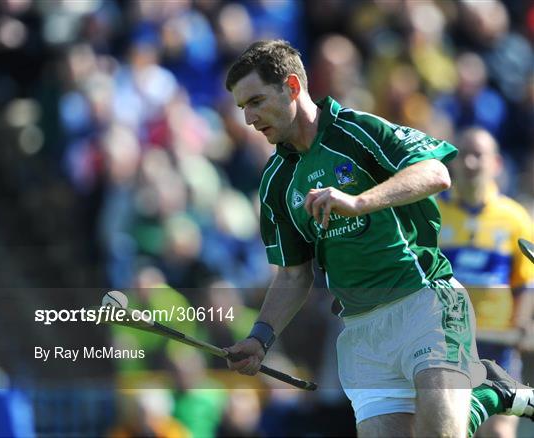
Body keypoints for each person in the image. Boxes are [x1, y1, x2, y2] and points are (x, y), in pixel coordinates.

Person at [223, 39, 534, 437]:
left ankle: (488, 394)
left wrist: (358, 202)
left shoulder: (357, 131)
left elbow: (436, 172)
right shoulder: (276, 183)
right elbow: (293, 277)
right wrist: (260, 338)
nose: (249, 118)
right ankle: (488, 392)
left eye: (256, 101)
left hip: (424, 302)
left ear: (293, 87)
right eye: (242, 107)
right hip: (364, 332)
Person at [438, 127, 534, 437]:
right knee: (453, 427)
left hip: (499, 346)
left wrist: (520, 325)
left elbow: (527, 282)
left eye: (478, 155)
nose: (469, 162)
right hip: (446, 344)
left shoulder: (515, 217)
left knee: (499, 432)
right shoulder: (433, 214)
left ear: (496, 163)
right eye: (463, 154)